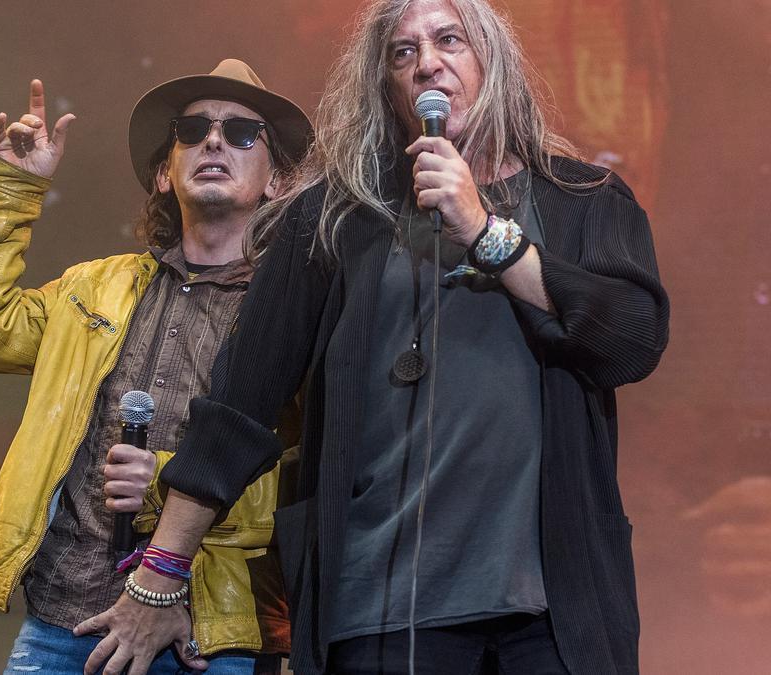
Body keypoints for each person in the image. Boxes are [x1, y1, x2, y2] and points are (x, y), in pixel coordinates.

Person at [76, 1, 670, 673]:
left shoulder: (585, 199)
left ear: (493, 61)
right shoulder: (331, 218)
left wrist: (484, 232)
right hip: (381, 611)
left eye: (450, 40)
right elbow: (240, 403)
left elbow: (632, 338)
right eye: (403, 52)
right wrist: (161, 569)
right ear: (385, 85)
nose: (428, 63)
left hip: (554, 614)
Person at [0, 59, 311, 675]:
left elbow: (304, 470)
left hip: (202, 636)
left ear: (276, 181)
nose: (214, 140)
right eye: (191, 131)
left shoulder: (293, 312)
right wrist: (8, 192)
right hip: (63, 621)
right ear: (164, 174)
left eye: (243, 132)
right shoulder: (94, 288)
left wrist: (167, 479)